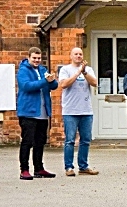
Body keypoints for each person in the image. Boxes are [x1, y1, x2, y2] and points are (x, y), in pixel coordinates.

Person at [16, 47, 58, 180]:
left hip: (42, 112)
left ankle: (39, 168)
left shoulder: (42, 70)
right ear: (29, 57)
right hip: (28, 112)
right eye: (34, 58)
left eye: (39, 58)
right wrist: (46, 81)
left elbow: (54, 86)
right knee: (27, 141)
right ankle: (24, 169)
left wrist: (52, 81)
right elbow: (27, 86)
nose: (37, 60)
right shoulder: (23, 70)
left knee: (40, 141)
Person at [58, 47, 99, 177]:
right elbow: (64, 84)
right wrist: (77, 73)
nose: (78, 56)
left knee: (85, 139)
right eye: (76, 54)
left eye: (80, 54)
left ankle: (83, 166)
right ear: (71, 56)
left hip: (86, 110)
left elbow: (94, 83)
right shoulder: (65, 70)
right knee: (70, 140)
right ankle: (69, 167)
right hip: (70, 110)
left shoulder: (88, 69)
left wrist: (85, 72)